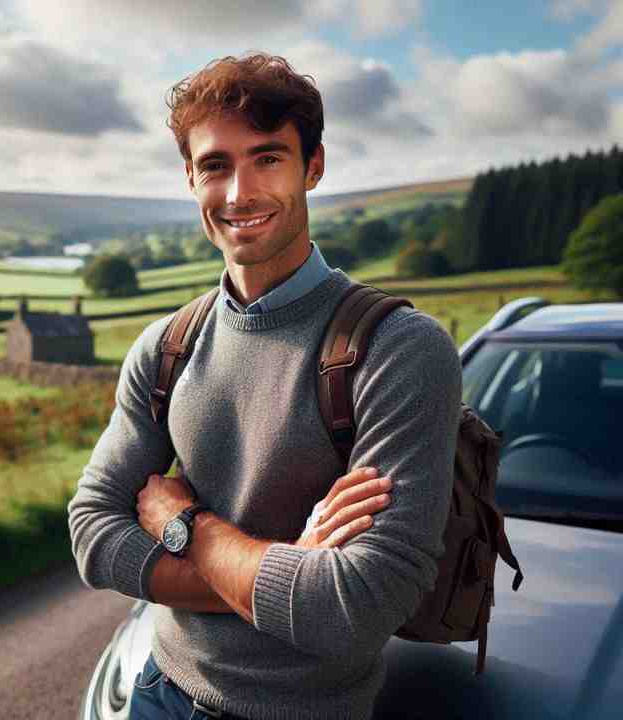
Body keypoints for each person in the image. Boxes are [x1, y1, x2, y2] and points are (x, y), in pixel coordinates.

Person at [68, 52, 462, 720]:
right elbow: (91, 537)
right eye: (216, 165)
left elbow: (355, 607)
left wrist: (182, 524)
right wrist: (286, 571)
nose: (239, 193)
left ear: (313, 166)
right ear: (190, 177)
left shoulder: (399, 349)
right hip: (159, 693)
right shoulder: (166, 346)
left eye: (268, 158)